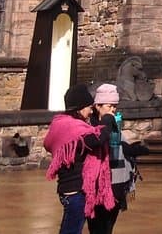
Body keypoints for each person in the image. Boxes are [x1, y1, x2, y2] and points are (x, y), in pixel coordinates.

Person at [43, 84, 116, 234]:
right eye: (89, 107)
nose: (90, 111)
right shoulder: (72, 127)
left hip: (68, 190)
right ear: (80, 107)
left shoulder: (61, 124)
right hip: (75, 193)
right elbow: (97, 139)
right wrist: (108, 119)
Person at [88, 84, 131, 234]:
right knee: (97, 228)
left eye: (115, 106)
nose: (113, 109)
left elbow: (124, 152)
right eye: (109, 105)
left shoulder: (116, 126)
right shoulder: (89, 127)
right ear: (97, 106)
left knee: (108, 228)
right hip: (97, 187)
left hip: (117, 186)